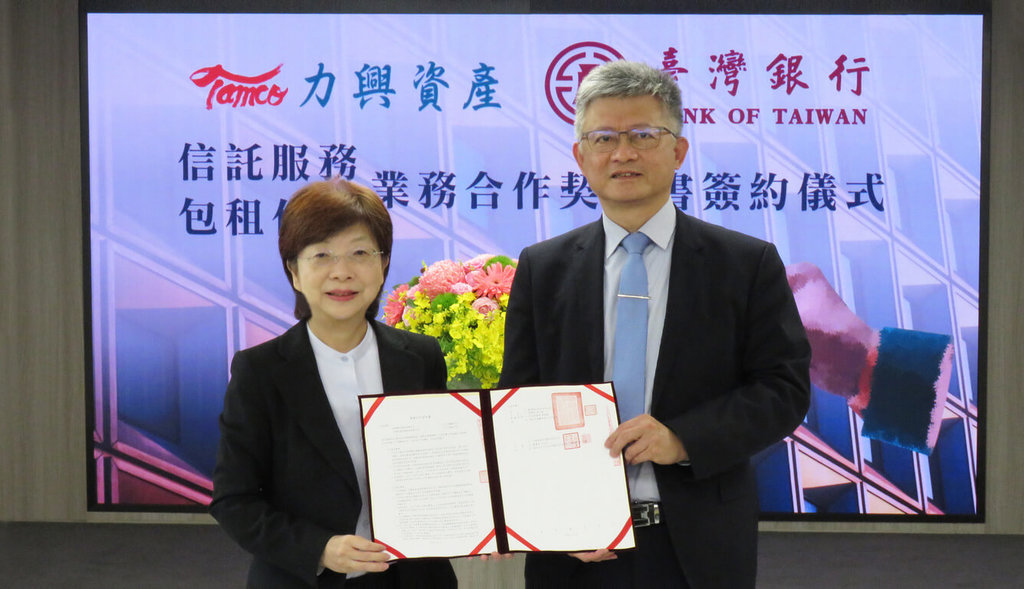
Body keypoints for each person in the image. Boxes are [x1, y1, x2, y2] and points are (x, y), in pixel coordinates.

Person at [498, 61, 811, 588]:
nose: (623, 153)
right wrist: (549, 515)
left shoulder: (744, 263)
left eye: (643, 135)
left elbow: (784, 389)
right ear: (581, 156)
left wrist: (683, 439)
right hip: (577, 547)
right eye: (604, 138)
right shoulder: (542, 267)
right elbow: (519, 403)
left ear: (678, 151)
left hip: (698, 544)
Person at [210, 179, 457, 588]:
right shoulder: (261, 371)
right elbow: (234, 501)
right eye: (321, 255)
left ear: (383, 264)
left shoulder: (421, 357)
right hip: (307, 579)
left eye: (360, 253)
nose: (342, 272)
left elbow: (443, 467)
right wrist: (320, 549)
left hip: (413, 579)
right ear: (294, 271)